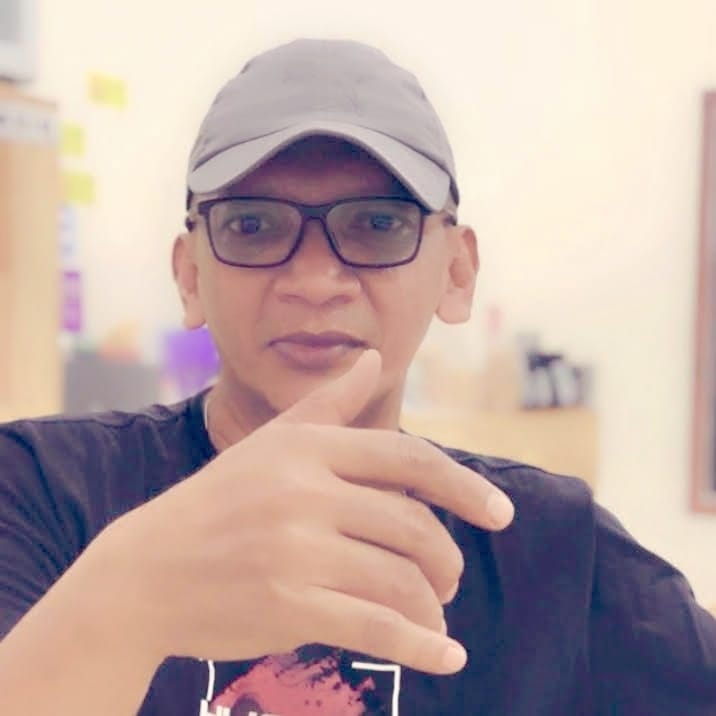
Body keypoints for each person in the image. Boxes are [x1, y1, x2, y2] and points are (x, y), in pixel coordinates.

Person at [0, 38, 713, 716]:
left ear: (456, 272)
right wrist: (129, 600)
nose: (315, 281)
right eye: (252, 226)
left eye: (378, 224)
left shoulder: (552, 552)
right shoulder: (40, 491)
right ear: (190, 276)